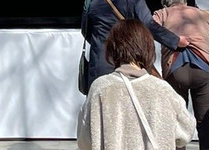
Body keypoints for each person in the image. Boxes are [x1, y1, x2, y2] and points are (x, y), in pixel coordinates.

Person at [78, 18, 196, 150]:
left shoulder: (100, 88)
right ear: (148, 48)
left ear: (112, 49)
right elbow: (186, 131)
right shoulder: (163, 89)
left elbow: (85, 141)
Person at [80, 0, 187, 93]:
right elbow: (149, 25)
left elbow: (86, 31)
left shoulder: (93, 1)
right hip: (127, 63)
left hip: (99, 65)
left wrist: (101, 44)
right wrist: (176, 41)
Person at [153, 0, 209, 150]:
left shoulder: (162, 14)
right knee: (204, 121)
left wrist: (173, 39)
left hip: (174, 69)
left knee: (177, 121)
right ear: (184, 2)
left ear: (165, 4)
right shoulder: (201, 14)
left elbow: (148, 30)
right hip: (203, 68)